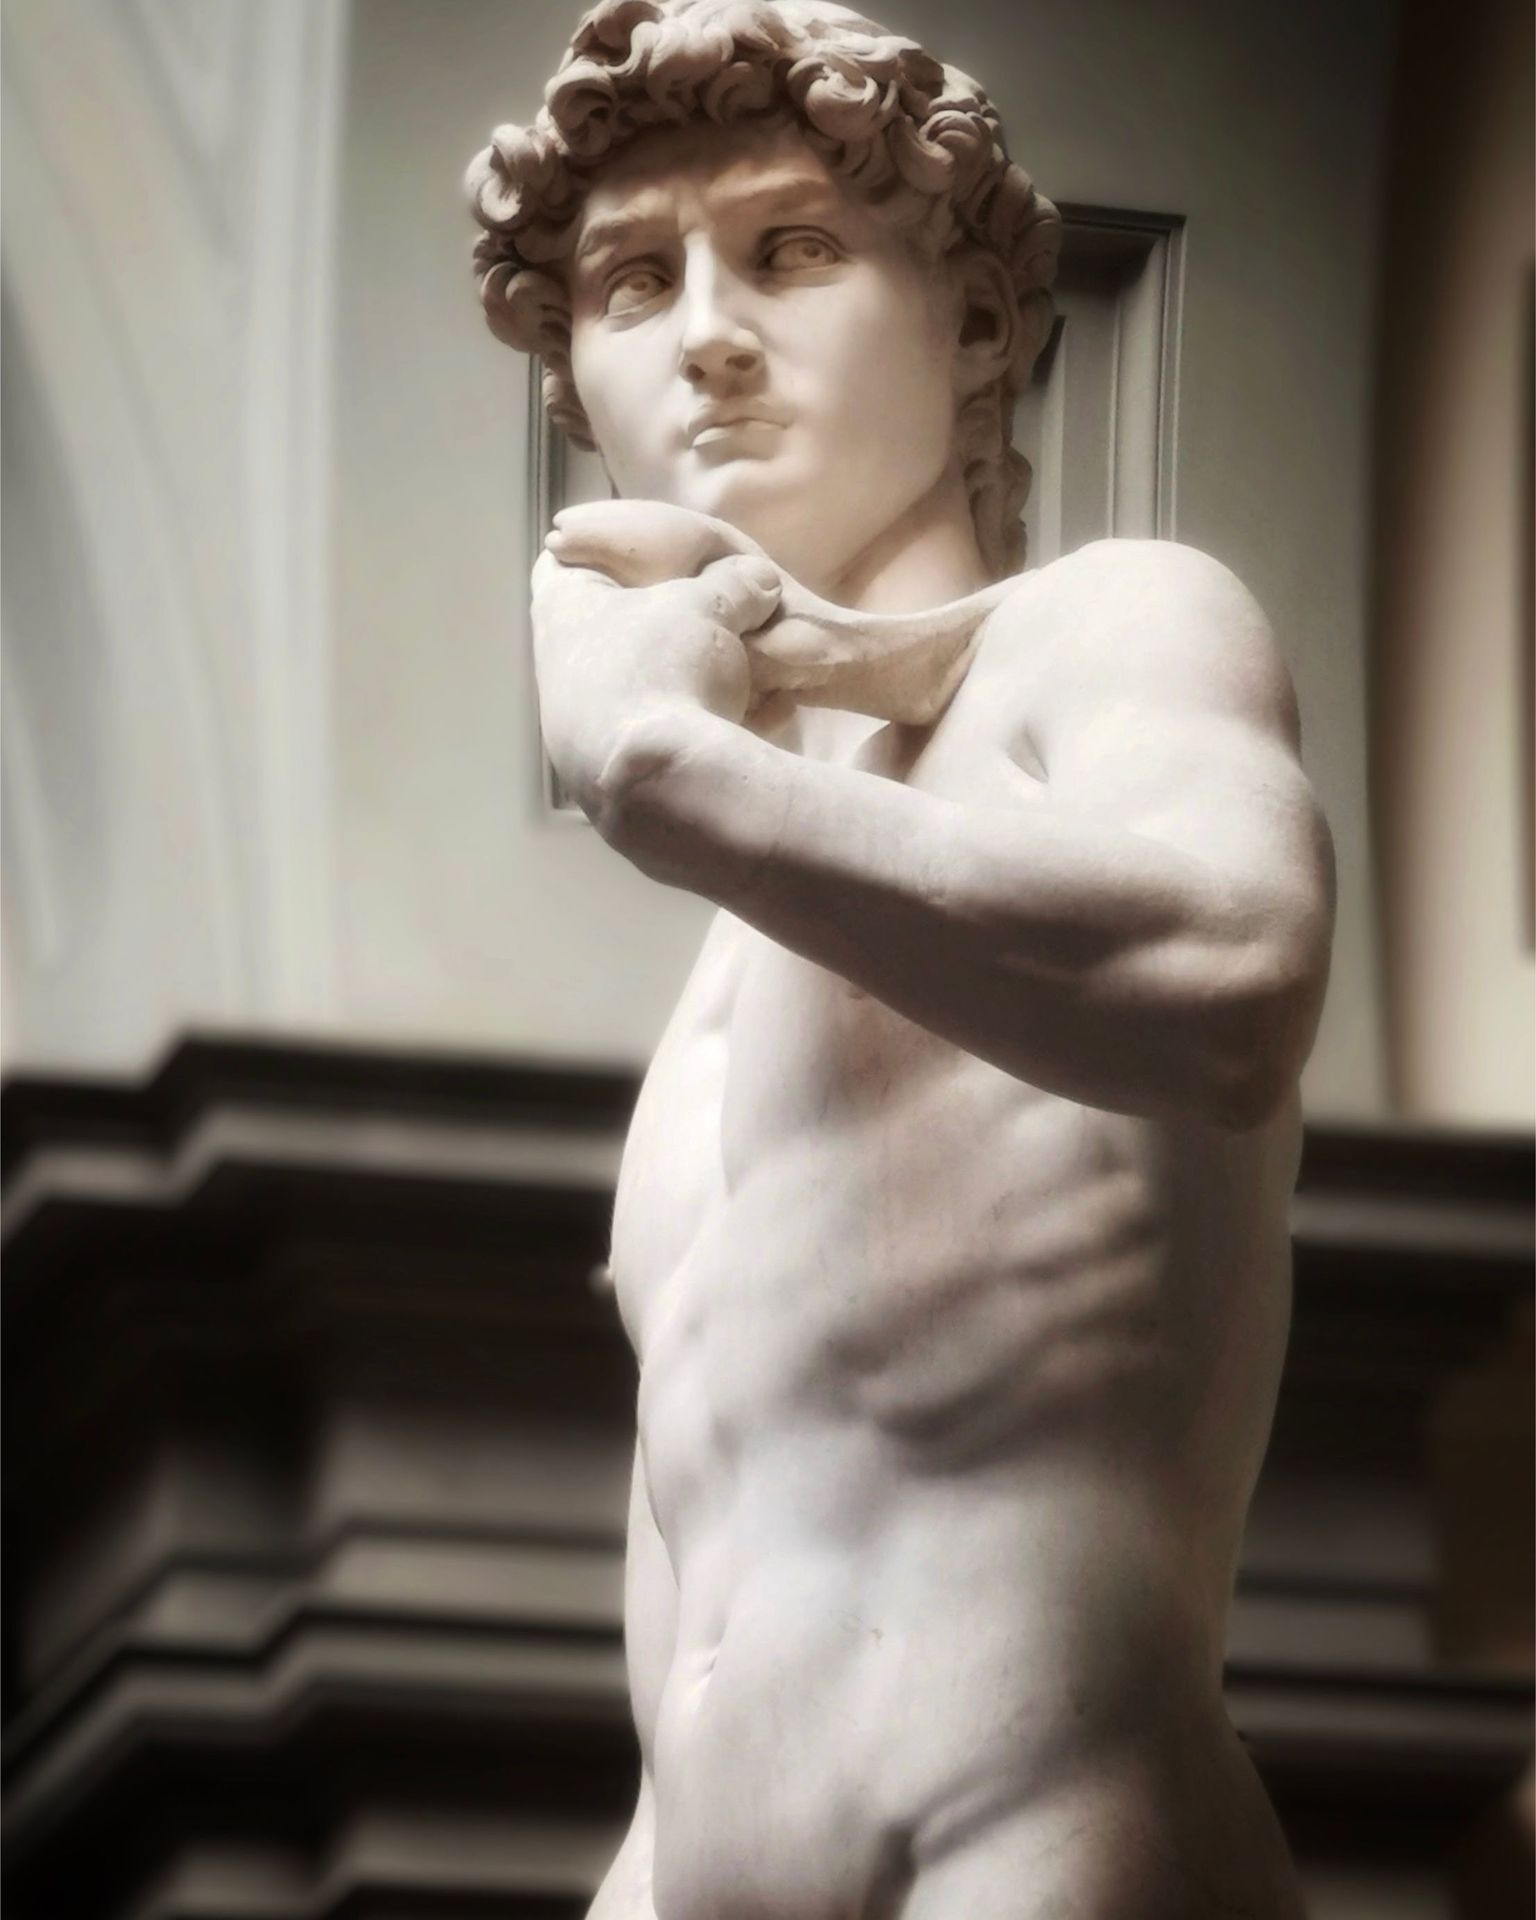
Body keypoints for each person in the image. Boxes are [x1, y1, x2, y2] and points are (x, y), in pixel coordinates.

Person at [466, 4, 1333, 1914]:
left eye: (789, 249)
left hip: (1039, 1849)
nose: (705, 333)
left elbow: (1236, 980)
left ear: (980, 327)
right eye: (633, 282)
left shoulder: (1107, 631)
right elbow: (695, 1623)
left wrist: (669, 769)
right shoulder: (730, 969)